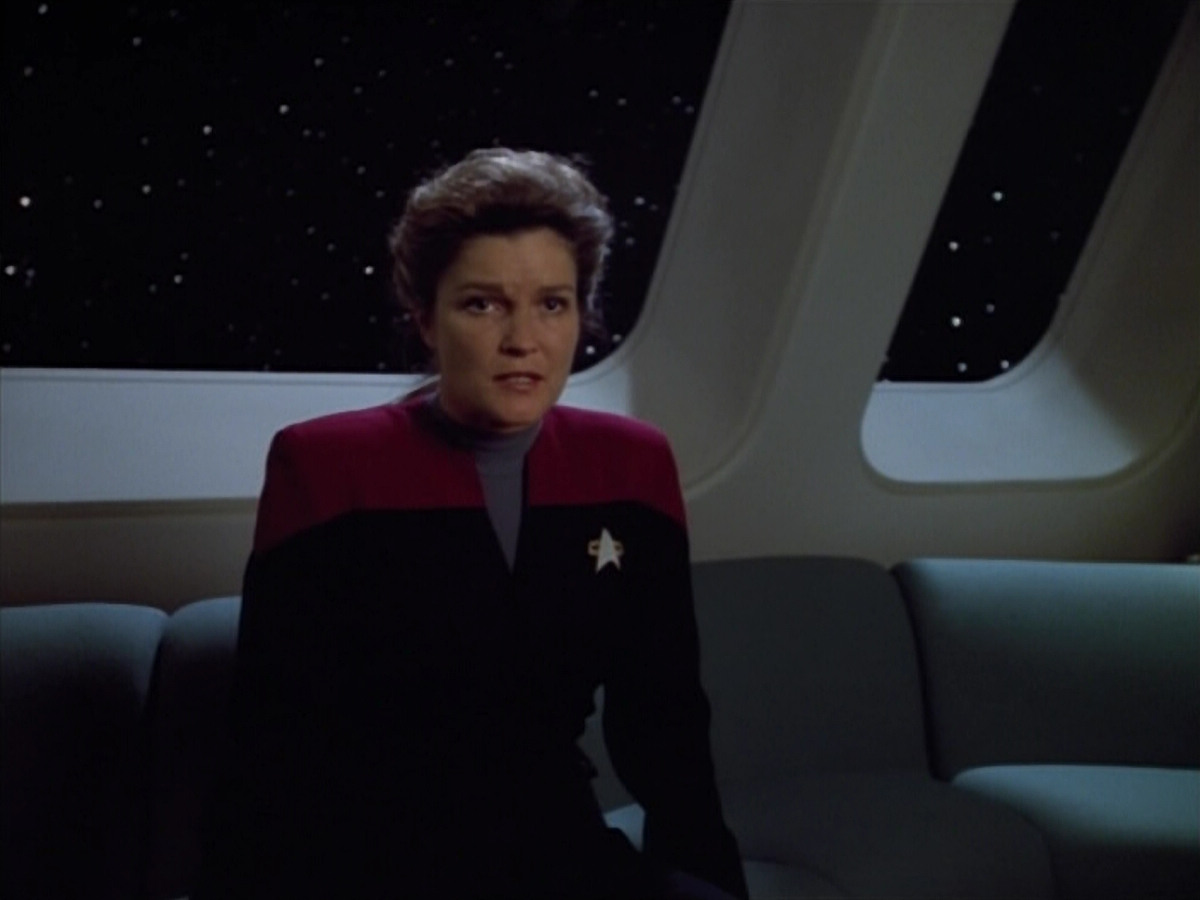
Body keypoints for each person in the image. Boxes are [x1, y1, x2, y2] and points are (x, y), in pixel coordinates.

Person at [196, 147, 748, 899]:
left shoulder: (633, 465)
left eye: (552, 304)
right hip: (370, 860)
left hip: (558, 847)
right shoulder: (324, 466)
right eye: (483, 304)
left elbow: (665, 720)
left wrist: (714, 883)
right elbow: (272, 745)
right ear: (425, 318)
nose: (523, 339)